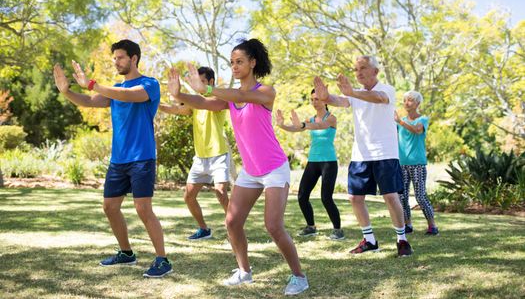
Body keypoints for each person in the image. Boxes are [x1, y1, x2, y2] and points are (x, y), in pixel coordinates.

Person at [166, 39, 309, 295]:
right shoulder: (228, 97)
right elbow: (203, 104)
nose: (234, 66)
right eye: (231, 62)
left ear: (253, 62)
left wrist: (207, 89)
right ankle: (244, 272)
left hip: (274, 168)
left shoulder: (266, 91)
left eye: (239, 61)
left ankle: (299, 276)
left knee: (273, 226)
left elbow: (242, 95)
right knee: (232, 222)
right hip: (251, 171)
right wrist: (179, 95)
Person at [53, 39, 172, 277]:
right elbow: (88, 101)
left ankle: (162, 260)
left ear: (134, 58)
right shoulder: (115, 89)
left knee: (143, 208)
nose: (116, 62)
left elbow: (128, 96)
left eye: (120, 57)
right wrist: (67, 91)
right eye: (114, 58)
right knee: (109, 207)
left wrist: (94, 84)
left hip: (142, 157)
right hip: (119, 160)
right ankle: (126, 253)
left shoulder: (149, 84)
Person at [314, 55, 413, 257]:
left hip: (385, 153)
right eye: (356, 69)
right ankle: (369, 240)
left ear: (375, 71)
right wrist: (325, 97)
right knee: (354, 197)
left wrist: (352, 93)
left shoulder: (387, 89)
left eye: (363, 68)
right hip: (361, 154)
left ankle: (402, 240)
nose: (358, 72)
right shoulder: (355, 94)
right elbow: (339, 100)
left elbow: (378, 98)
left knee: (390, 196)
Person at [159, 66, 230, 240]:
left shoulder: (219, 99)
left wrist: (179, 95)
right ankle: (204, 229)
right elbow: (176, 109)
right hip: (200, 158)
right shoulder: (194, 103)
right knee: (189, 196)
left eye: (202, 82)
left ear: (211, 82)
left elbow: (206, 103)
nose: (197, 85)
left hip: (218, 155)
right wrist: (154, 103)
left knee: (220, 192)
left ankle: (234, 226)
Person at [276, 89, 343, 240]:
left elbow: (320, 126)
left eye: (317, 99)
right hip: (313, 161)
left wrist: (302, 125)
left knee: (326, 198)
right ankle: (311, 226)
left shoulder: (331, 118)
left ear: (325, 101)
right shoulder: (310, 119)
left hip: (328, 162)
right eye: (312, 99)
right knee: (302, 195)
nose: (314, 102)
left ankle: (338, 229)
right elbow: (296, 128)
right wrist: (282, 125)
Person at [395, 90, 439, 235]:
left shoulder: (423, 120)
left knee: (420, 196)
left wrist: (400, 122)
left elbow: (417, 131)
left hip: (417, 163)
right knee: (402, 197)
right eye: (405, 100)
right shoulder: (399, 122)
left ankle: (432, 226)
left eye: (410, 100)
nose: (406, 103)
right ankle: (408, 225)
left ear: (418, 103)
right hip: (402, 164)